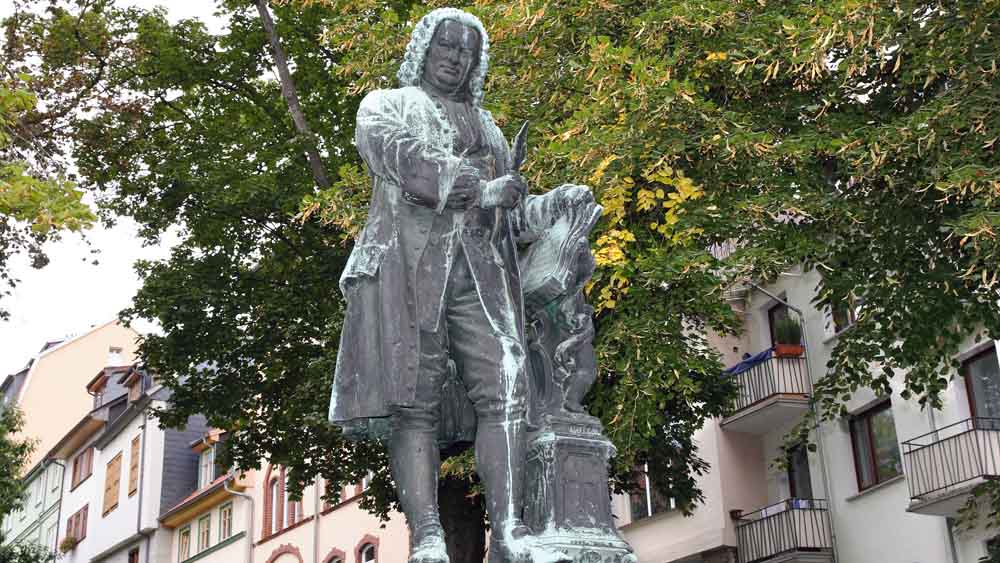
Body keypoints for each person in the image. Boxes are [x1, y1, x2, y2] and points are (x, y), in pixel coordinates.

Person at [328, 8, 573, 563]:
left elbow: (509, 220)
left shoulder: (489, 127)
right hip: (408, 272)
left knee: (508, 388)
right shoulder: (386, 106)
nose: (455, 57)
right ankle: (428, 535)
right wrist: (477, 187)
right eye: (446, 45)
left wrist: (547, 205)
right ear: (424, 48)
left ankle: (509, 529)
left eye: (467, 50)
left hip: (482, 279)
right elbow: (403, 160)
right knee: (413, 402)